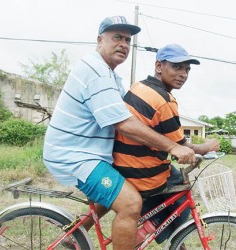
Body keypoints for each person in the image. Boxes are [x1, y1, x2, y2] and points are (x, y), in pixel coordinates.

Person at [43, 17, 195, 250]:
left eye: (127, 39)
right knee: (130, 203)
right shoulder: (95, 71)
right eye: (117, 37)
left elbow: (133, 117)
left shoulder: (112, 77)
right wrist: (172, 146)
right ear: (99, 40)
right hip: (76, 157)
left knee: (127, 186)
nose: (123, 44)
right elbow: (124, 123)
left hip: (92, 154)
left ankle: (75, 235)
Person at [113, 43, 220, 245]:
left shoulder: (140, 86)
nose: (183, 74)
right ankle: (149, 229)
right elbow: (181, 145)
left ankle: (166, 234)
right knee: (182, 204)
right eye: (177, 67)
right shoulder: (164, 101)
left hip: (123, 163)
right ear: (159, 66)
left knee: (174, 186)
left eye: (187, 69)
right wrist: (206, 147)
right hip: (142, 172)